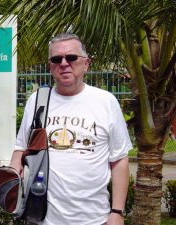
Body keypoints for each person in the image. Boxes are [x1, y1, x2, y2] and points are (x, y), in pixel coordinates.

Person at [9, 33, 132, 225]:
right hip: (41, 218)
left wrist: (117, 211)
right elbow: (20, 148)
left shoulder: (106, 101)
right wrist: (11, 180)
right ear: (50, 66)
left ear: (86, 63)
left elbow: (119, 159)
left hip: (94, 219)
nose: (64, 63)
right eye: (56, 59)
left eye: (71, 57)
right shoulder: (37, 100)